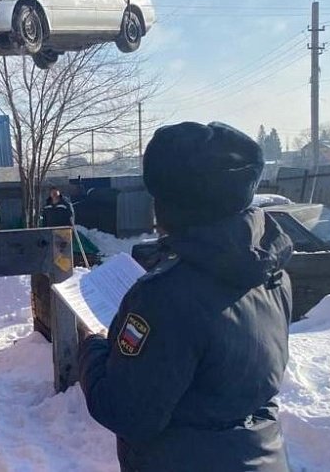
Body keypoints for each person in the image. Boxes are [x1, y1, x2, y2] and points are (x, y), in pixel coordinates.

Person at [78, 121, 293, 472]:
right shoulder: (270, 273)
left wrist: (92, 347)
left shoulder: (164, 296)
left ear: (169, 206)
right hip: (261, 456)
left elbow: (127, 413)